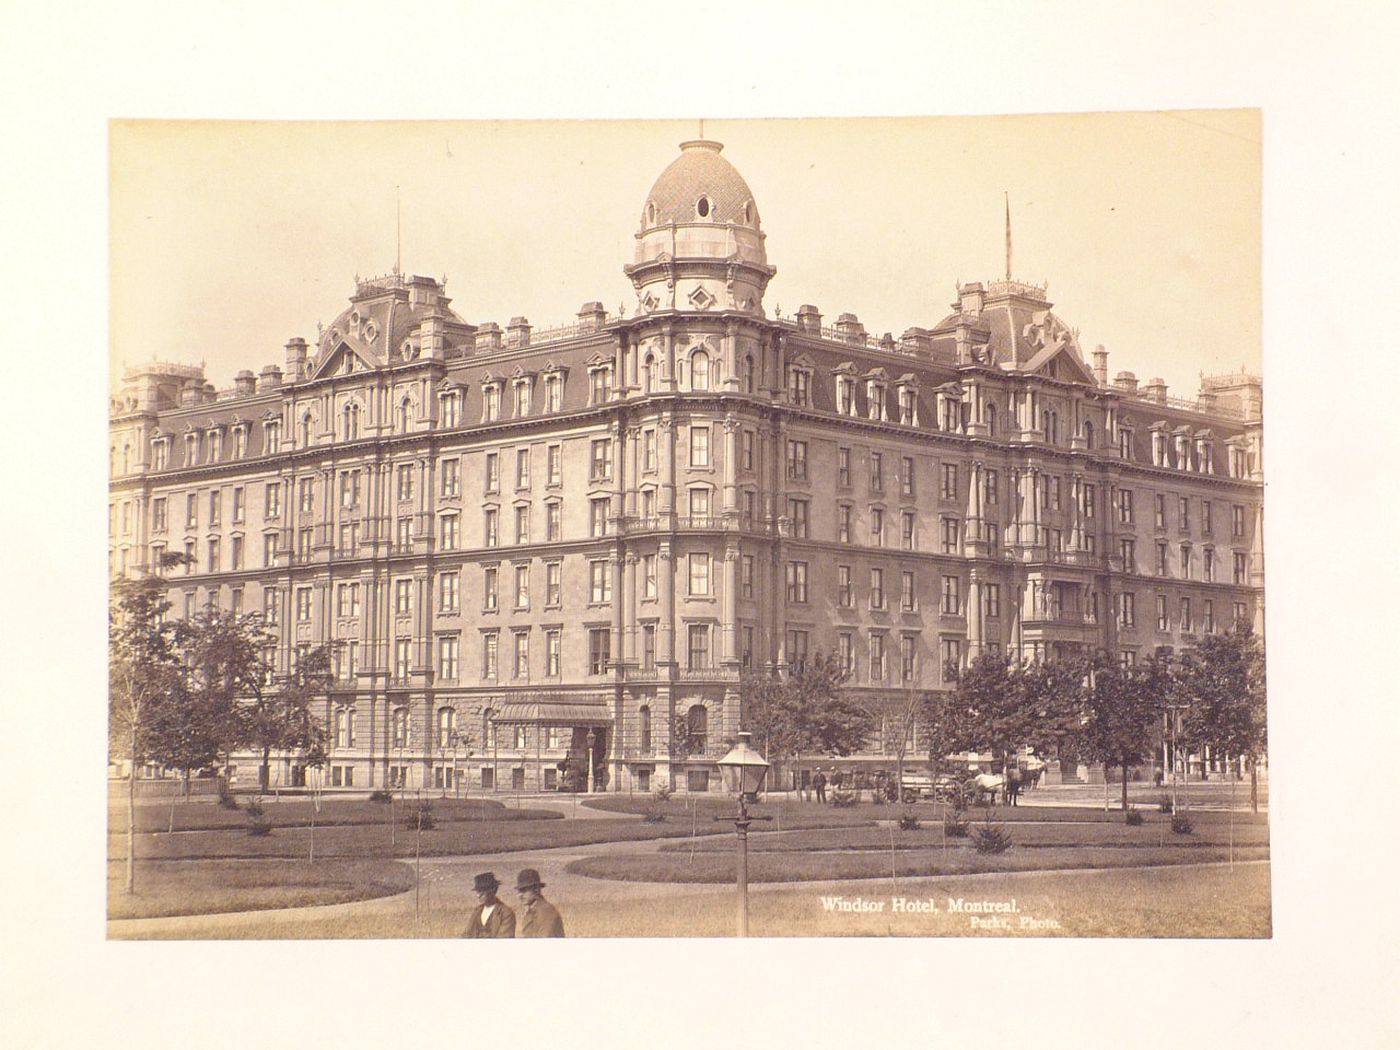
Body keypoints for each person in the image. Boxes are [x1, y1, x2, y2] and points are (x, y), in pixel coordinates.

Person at [463, 871, 515, 938]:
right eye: (477, 892)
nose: (478, 895)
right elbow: (466, 935)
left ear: (493, 891)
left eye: (482, 892)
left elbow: (504, 940)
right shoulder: (477, 911)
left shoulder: (506, 913)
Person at [515, 868, 565, 937]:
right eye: (519, 891)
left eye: (524, 890)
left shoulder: (546, 912)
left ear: (536, 889)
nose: (519, 895)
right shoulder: (534, 909)